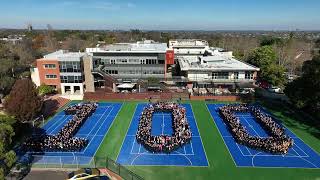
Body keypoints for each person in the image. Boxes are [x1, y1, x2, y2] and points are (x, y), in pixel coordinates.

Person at [218, 104, 293, 154]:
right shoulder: (240, 132)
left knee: (266, 126)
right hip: (246, 137)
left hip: (270, 144)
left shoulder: (277, 139)